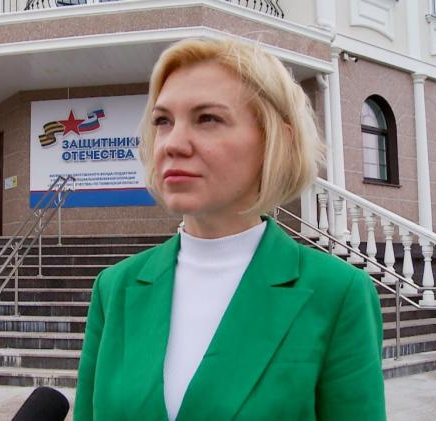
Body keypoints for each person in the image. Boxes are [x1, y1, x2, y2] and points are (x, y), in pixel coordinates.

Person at [74, 38, 385, 420]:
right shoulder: (114, 287)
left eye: (207, 118)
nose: (173, 144)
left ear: (275, 140)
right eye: (163, 121)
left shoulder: (338, 293)